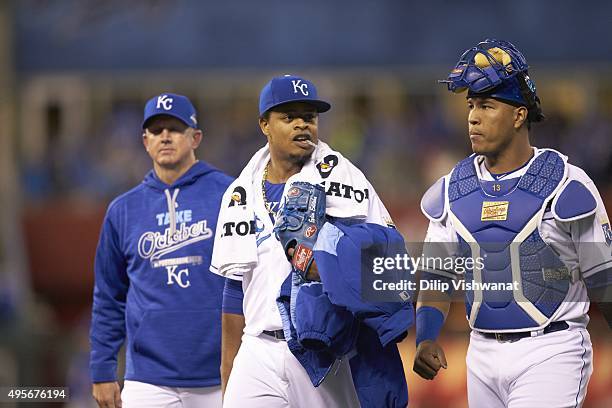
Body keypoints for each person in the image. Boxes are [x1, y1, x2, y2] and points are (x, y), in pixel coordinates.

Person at [413, 39, 612, 407]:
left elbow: (604, 277)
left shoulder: (566, 184)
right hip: (480, 353)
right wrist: (426, 336)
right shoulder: (452, 189)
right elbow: (438, 275)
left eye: (487, 105)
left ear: (519, 115)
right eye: (471, 105)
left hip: (551, 349)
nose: (473, 116)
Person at [211, 74, 412, 407]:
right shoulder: (239, 193)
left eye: (310, 117)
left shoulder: (344, 179)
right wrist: (229, 368)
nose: (302, 125)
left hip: (323, 350)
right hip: (258, 349)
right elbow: (234, 289)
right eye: (289, 117)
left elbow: (389, 257)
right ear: (265, 124)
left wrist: (328, 260)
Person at [89, 93, 233, 408]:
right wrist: (102, 369)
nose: (165, 136)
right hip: (147, 379)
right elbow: (108, 296)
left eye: (175, 128)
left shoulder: (230, 195)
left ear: (195, 137)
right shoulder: (123, 210)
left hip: (220, 374)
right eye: (156, 130)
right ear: (145, 141)